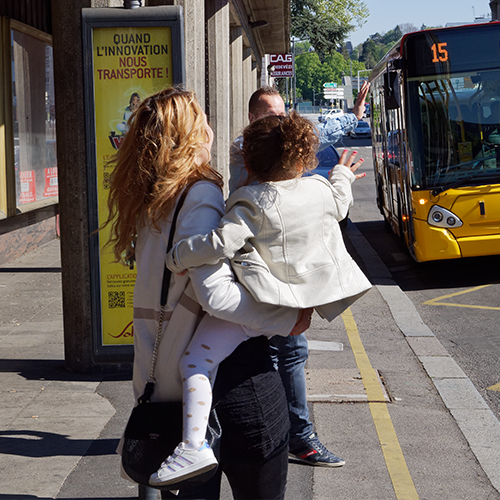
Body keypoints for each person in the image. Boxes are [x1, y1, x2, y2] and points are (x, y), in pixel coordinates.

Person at [104, 87, 310, 499]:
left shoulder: (151, 201)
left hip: (173, 398)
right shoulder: (199, 195)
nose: (211, 127)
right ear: (192, 134)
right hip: (235, 393)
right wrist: (287, 319)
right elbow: (216, 296)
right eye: (202, 118)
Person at [164, 112, 372, 481]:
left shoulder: (252, 200)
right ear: (301, 158)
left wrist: (178, 256)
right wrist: (341, 173)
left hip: (255, 306)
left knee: (195, 363)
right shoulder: (320, 190)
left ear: (248, 161)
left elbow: (221, 243)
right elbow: (341, 202)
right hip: (299, 303)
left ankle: (193, 447)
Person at [227, 83, 370, 468]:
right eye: (273, 115)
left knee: (280, 353)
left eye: (284, 113)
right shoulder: (248, 151)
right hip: (272, 278)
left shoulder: (274, 142)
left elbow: (323, 131)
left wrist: (355, 114)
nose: (282, 121)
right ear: (255, 117)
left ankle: (274, 433)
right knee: (288, 353)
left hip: (276, 275)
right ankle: (297, 438)